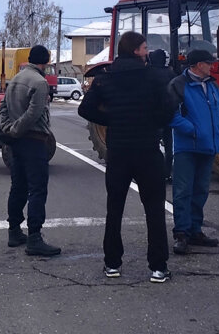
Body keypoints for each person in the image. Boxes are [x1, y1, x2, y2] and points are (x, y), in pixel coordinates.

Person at [78, 32, 174, 282]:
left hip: (119, 150)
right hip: (147, 149)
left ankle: (112, 263)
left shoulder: (105, 79)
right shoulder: (155, 77)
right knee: (154, 209)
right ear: (135, 51)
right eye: (144, 47)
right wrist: (153, 123)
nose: (147, 51)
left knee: (115, 208)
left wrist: (112, 119)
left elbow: (85, 109)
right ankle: (158, 267)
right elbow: (169, 109)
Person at [0, 45, 60, 257]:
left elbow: (2, 106)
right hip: (34, 140)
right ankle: (35, 237)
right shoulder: (40, 82)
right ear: (45, 62)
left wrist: (8, 128)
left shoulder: (16, 79)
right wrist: (17, 129)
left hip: (16, 142)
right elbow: (34, 113)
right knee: (37, 189)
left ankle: (14, 231)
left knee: (18, 186)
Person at [167, 49, 219, 255]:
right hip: (187, 148)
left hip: (208, 147)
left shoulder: (212, 85)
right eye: (209, 63)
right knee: (183, 191)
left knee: (201, 190)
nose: (212, 66)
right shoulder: (178, 85)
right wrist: (192, 130)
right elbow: (170, 114)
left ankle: (195, 230)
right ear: (199, 65)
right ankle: (182, 233)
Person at [148, 49, 177, 182]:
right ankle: (167, 173)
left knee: (152, 145)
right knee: (169, 145)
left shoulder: (148, 73)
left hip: (153, 114)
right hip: (169, 114)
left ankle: (154, 172)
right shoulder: (171, 73)